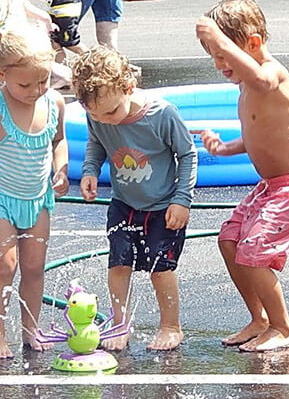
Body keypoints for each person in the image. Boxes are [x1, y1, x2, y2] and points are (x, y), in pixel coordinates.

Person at [196, 0, 289, 352]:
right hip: (270, 187)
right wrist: (224, 148)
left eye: (223, 54)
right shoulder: (246, 86)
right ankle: (260, 318)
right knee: (229, 240)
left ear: (252, 44)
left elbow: (263, 80)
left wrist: (221, 41)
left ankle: (284, 327)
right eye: (214, 56)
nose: (219, 64)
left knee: (253, 252)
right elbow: (257, 135)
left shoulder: (272, 75)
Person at [71, 45, 197, 351]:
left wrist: (182, 199)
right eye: (96, 114)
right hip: (124, 203)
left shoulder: (161, 114)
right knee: (118, 263)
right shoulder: (99, 115)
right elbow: (96, 143)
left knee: (160, 267)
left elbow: (187, 154)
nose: (106, 120)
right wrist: (90, 170)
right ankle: (119, 324)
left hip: (163, 205)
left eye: (111, 111)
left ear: (129, 87)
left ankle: (171, 326)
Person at [0, 28, 69, 359]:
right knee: (5, 266)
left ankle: (31, 328)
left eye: (43, 81)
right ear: (2, 75)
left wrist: (61, 168)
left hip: (37, 199)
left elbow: (59, 141)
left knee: (35, 266)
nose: (36, 91)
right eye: (25, 84)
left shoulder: (55, 102)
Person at [0, 0, 72, 89]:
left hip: (9, 47)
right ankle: (54, 84)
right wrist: (49, 28)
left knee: (2, 84)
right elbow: (44, 17)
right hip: (29, 41)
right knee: (43, 66)